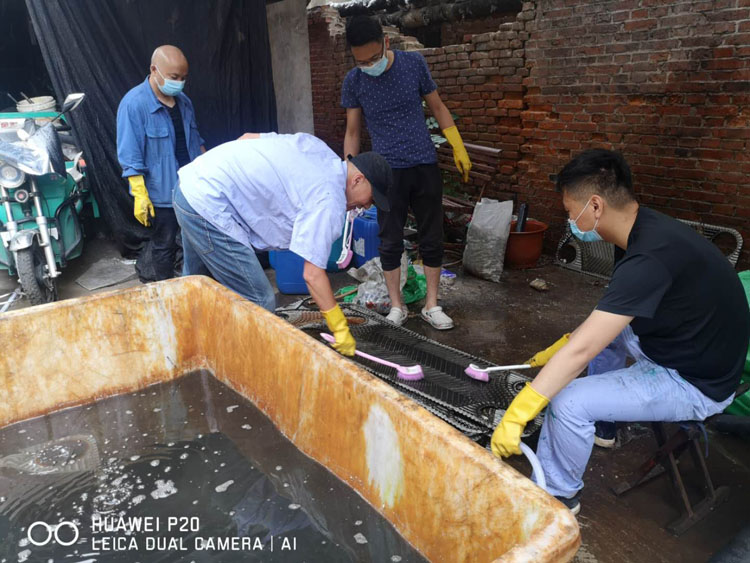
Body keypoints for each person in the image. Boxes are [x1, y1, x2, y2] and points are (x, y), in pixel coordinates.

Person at [490, 149, 750, 515]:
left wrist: (518, 413)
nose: (570, 221)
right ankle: (605, 427)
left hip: (695, 381)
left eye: (570, 211)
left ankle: (557, 498)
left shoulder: (648, 257)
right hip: (684, 344)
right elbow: (603, 324)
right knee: (596, 339)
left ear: (595, 205)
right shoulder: (643, 229)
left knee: (568, 401)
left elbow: (583, 351)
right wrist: (564, 345)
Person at [173, 132, 393, 356]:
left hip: (191, 182)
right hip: (209, 204)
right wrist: (339, 327)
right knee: (259, 300)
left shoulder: (317, 149)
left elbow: (247, 138)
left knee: (194, 285)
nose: (366, 206)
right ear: (358, 180)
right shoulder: (330, 199)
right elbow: (312, 275)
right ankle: (244, 363)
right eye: (371, 199)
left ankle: (181, 349)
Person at [341, 16, 472, 331]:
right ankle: (397, 306)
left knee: (432, 237)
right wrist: (348, 173)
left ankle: (432, 304)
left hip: (423, 164)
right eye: (361, 62)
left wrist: (457, 145)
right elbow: (353, 131)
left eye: (373, 58)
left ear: (386, 42)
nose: (368, 65)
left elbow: (438, 107)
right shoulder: (354, 81)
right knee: (389, 241)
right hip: (385, 175)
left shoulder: (413, 64)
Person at [117, 45, 206, 281]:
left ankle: (194, 287)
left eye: (183, 78)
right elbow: (130, 154)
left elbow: (196, 142)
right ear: (154, 70)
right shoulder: (134, 104)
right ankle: (166, 291)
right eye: (174, 77)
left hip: (191, 187)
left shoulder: (184, 102)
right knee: (164, 245)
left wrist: (210, 171)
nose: (179, 83)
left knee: (198, 243)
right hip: (162, 194)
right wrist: (140, 194)